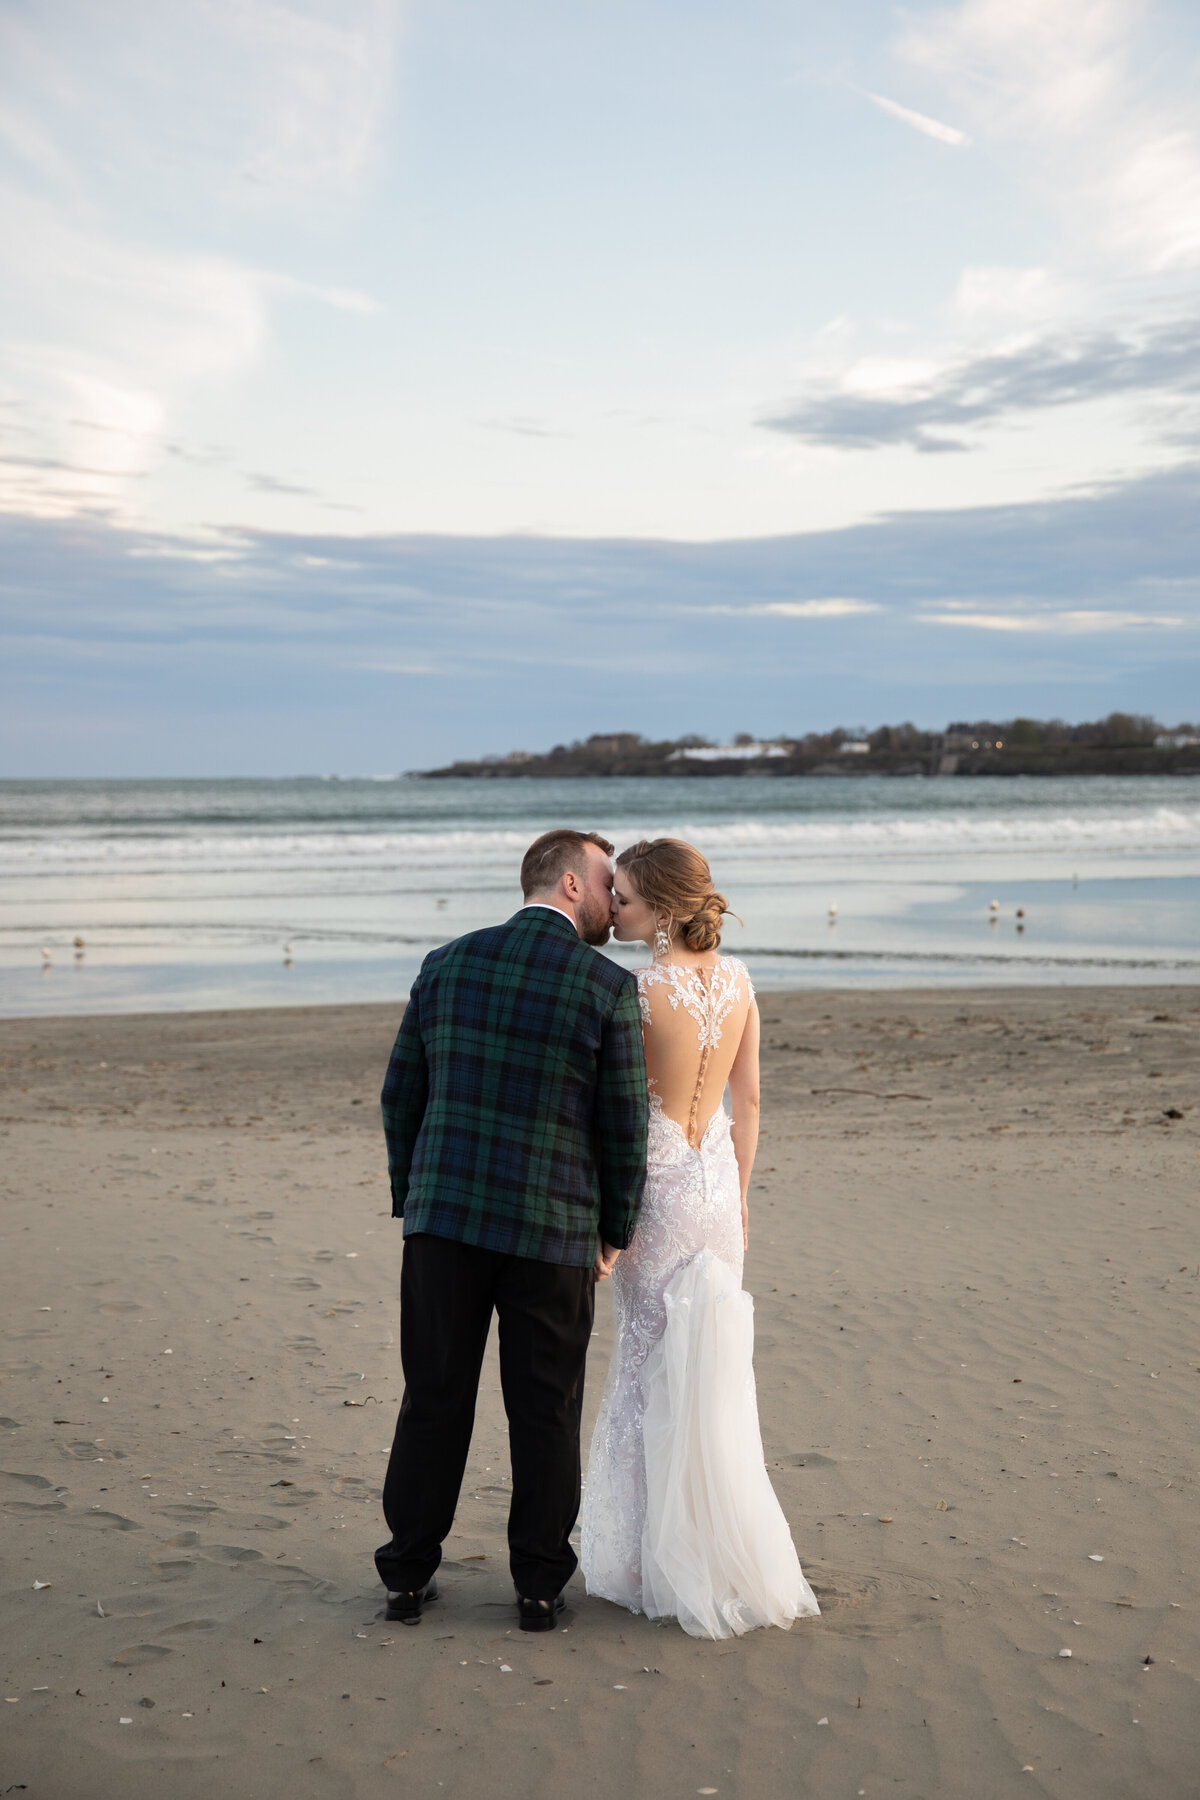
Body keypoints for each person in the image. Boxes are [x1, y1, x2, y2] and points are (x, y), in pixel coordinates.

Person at [375, 829, 648, 1631]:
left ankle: (405, 1576)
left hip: (443, 1225)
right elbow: (622, 1126)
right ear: (568, 883)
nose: (613, 899)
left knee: (433, 1398)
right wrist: (614, 1230)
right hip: (554, 1230)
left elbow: (401, 1096)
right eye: (605, 883)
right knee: (546, 1411)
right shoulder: (603, 985)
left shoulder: (446, 963)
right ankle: (536, 1588)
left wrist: (414, 1196)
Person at [580, 837, 820, 1638]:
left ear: (663, 913)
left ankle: (651, 1558)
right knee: (709, 1370)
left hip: (655, 1191)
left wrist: (607, 1222)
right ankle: (712, 1548)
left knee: (649, 1362)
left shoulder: (636, 992)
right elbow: (747, 1106)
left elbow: (615, 1115)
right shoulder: (741, 980)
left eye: (625, 899)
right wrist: (741, 1197)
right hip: (717, 1189)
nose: (613, 907)